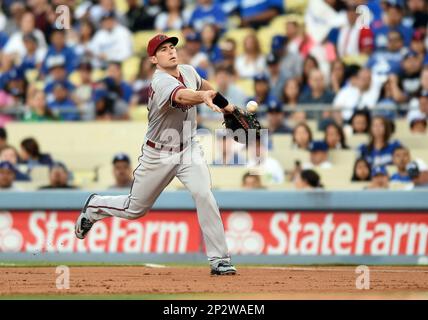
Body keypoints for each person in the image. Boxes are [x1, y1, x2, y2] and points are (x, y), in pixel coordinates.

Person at [75, 34, 237, 275]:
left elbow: (207, 88)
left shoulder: (189, 71)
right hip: (158, 154)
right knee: (135, 210)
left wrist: (228, 108)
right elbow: (183, 96)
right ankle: (95, 206)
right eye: (163, 50)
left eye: (172, 47)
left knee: (204, 195)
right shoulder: (160, 81)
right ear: (153, 58)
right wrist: (202, 97)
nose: (171, 51)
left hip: (188, 149)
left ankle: (219, 260)